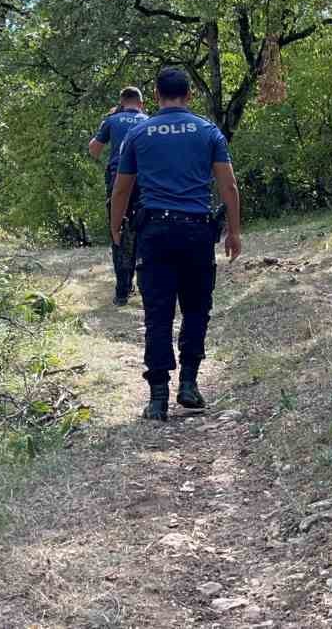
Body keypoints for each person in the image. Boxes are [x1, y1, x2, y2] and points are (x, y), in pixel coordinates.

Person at [110, 68, 243, 421]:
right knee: (197, 309)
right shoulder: (207, 131)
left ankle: (157, 397)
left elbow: (122, 188)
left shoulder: (139, 133)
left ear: (156, 95)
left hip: (154, 232)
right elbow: (228, 186)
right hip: (197, 233)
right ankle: (189, 383)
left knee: (158, 313)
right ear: (189, 95)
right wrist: (234, 230)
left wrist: (116, 228)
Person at [89, 87, 150, 305]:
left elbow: (94, 150)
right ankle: (146, 287)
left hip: (117, 180)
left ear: (122, 102)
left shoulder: (112, 121)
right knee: (144, 231)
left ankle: (122, 292)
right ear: (141, 103)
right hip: (145, 183)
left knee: (118, 231)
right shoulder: (149, 120)